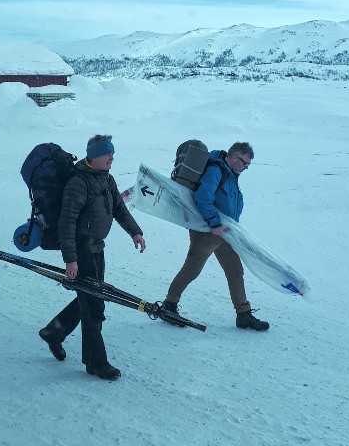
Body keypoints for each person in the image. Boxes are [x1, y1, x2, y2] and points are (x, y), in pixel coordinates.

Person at [39, 135, 146, 380]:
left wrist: (135, 232)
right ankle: (96, 362)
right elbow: (67, 223)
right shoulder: (78, 183)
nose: (112, 158)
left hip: (97, 248)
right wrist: (71, 259)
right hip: (82, 251)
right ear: (93, 156)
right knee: (94, 307)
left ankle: (54, 332)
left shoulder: (106, 179)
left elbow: (119, 208)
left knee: (89, 299)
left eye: (112, 153)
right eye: (107, 153)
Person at [162, 142, 269, 331]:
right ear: (234, 157)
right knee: (192, 269)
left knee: (235, 270)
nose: (246, 168)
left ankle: (243, 314)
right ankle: (169, 305)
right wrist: (214, 224)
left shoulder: (231, 174)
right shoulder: (216, 170)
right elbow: (203, 197)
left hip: (224, 231)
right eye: (245, 163)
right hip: (208, 231)